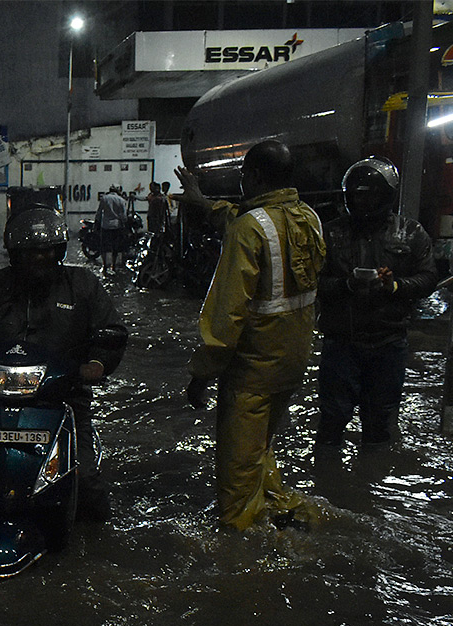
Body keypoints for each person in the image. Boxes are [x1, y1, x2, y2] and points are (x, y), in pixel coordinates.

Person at [0, 206, 127, 520]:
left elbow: (113, 331)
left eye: (47, 251)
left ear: (59, 251)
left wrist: (98, 364)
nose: (40, 259)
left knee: (87, 484)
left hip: (63, 398)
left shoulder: (83, 285)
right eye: (30, 253)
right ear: (14, 255)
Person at [176, 140, 327, 531]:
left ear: (256, 176)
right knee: (260, 450)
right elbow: (241, 218)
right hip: (292, 363)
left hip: (252, 371)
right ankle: (281, 511)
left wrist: (201, 373)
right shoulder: (306, 218)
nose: (242, 181)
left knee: (237, 478)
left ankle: (248, 546)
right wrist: (202, 201)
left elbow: (226, 316)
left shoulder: (249, 229)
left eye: (244, 174)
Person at [315, 158, 437, 449]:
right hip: (341, 342)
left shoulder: (411, 232)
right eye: (358, 194)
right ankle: (328, 487)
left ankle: (369, 483)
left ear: (386, 195)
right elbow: (310, 283)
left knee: (380, 424)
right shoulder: (330, 233)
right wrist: (347, 285)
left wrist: (394, 286)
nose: (364, 201)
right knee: (332, 420)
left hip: (388, 343)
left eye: (371, 194)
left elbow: (429, 278)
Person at [95, 185, 128, 275]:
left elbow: (99, 213)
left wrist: (96, 223)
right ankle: (114, 265)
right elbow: (124, 216)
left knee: (104, 246)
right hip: (117, 226)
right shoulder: (121, 200)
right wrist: (124, 225)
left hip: (105, 225)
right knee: (115, 247)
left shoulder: (104, 199)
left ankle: (105, 265)